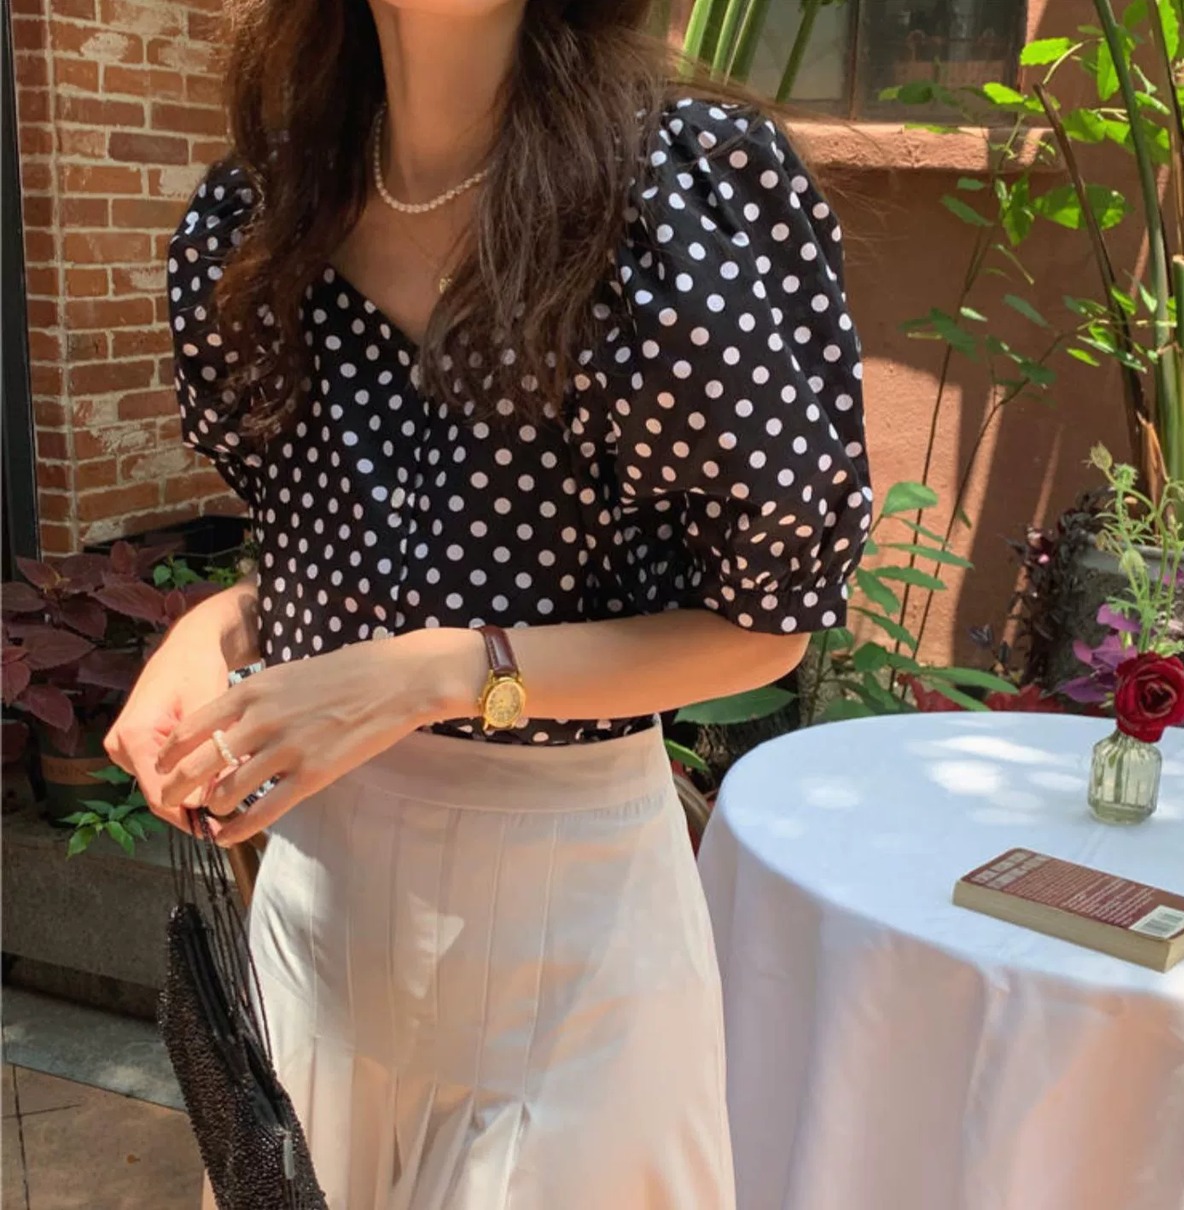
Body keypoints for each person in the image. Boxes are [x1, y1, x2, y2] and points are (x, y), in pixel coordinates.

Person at [106, 1, 871, 1206]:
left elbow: (765, 626)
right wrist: (221, 627)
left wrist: (439, 673)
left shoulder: (674, 196)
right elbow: (339, 554)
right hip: (318, 917)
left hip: (562, 938)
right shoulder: (262, 210)